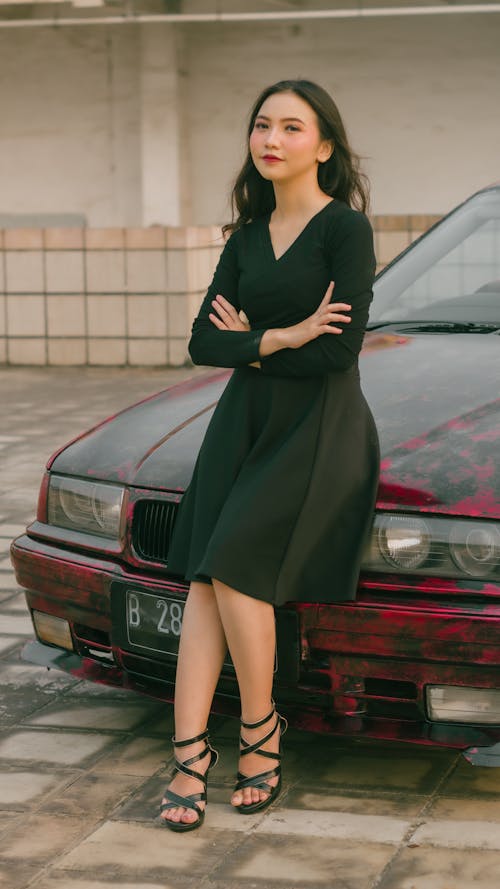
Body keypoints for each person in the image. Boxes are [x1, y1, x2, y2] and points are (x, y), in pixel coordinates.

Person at [159, 79, 379, 832]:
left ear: (323, 146)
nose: (271, 138)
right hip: (242, 424)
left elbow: (339, 352)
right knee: (203, 581)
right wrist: (283, 336)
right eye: (261, 124)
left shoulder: (343, 231)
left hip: (318, 424)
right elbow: (200, 342)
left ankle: (260, 732)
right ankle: (189, 752)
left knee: (236, 569)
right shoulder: (245, 238)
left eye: (291, 126)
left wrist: (248, 346)